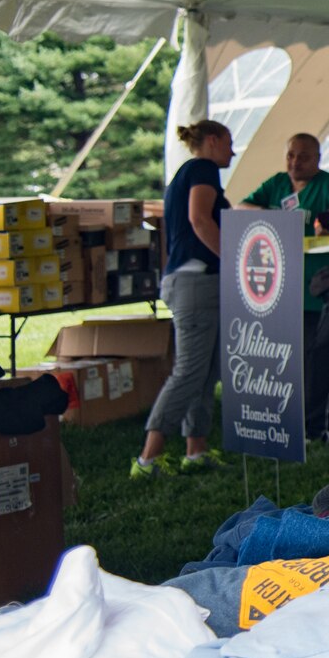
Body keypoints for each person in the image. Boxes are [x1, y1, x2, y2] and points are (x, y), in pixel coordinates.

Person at [237, 132, 329, 441]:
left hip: (319, 291)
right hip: (280, 292)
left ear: (317, 158)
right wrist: (270, 216)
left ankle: (318, 425)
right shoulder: (276, 184)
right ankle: (286, 420)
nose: (294, 162)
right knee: (285, 362)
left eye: (303, 156)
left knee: (317, 362)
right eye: (290, 155)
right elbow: (241, 207)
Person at [133, 119, 234, 478]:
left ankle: (197, 449)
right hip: (197, 284)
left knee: (206, 372)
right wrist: (233, 259)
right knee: (190, 371)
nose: (232, 152)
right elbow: (200, 219)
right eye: (228, 143)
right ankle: (149, 457)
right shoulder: (203, 169)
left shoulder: (183, 174)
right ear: (211, 140)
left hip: (192, 283)